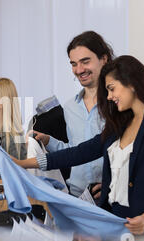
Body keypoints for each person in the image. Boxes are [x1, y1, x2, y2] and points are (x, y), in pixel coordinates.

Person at [15, 55, 144, 241]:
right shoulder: (118, 127)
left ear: (132, 84)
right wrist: (23, 163)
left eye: (112, 88)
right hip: (114, 230)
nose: (110, 96)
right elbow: (78, 153)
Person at [31, 31, 114, 199]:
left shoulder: (117, 102)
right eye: (74, 64)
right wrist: (49, 141)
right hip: (77, 195)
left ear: (104, 59)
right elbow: (75, 151)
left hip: (110, 196)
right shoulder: (70, 107)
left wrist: (112, 183)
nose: (79, 70)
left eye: (85, 62)